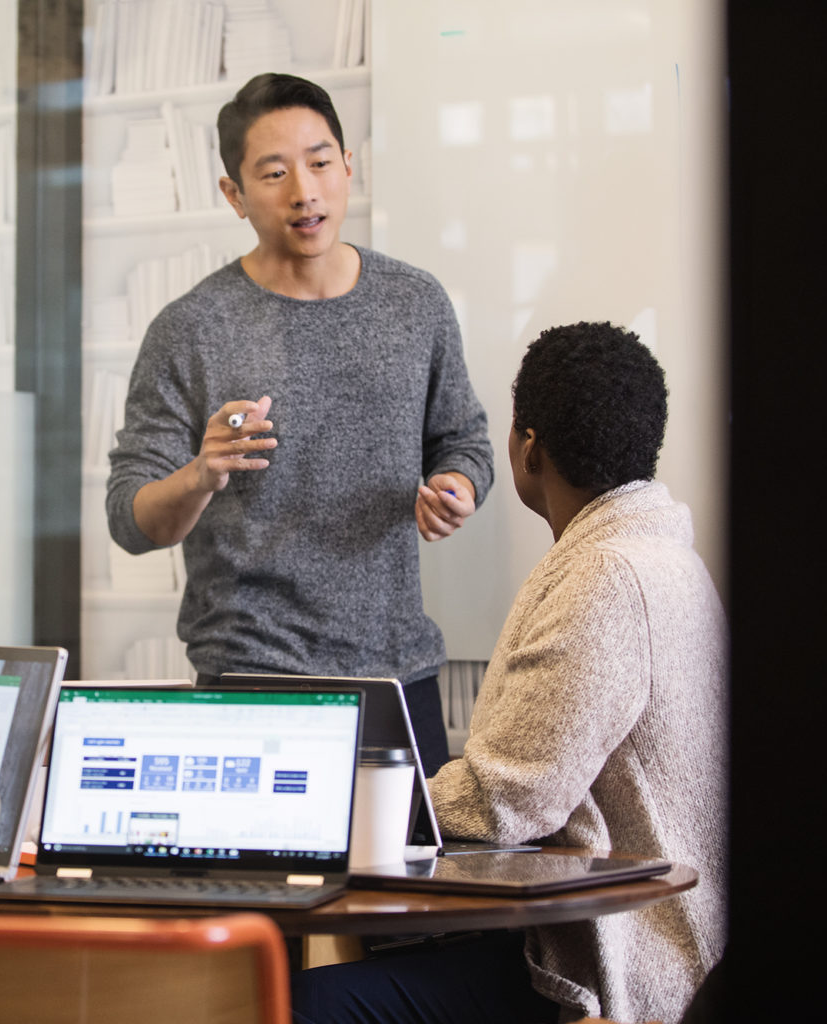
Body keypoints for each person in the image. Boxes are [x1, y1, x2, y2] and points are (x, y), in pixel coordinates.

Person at [291, 323, 728, 1024]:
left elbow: (508, 803)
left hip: (621, 959)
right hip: (634, 923)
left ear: (527, 447)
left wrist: (347, 807)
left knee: (306, 1003)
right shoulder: (665, 556)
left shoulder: (607, 578)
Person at [105, 73, 493, 772]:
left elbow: (462, 438)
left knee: (423, 882)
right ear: (234, 194)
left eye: (319, 163)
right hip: (252, 684)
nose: (304, 191)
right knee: (257, 886)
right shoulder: (191, 329)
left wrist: (457, 484)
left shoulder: (416, 303)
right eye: (275, 173)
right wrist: (200, 474)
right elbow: (131, 521)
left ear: (349, 166)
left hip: (397, 677)